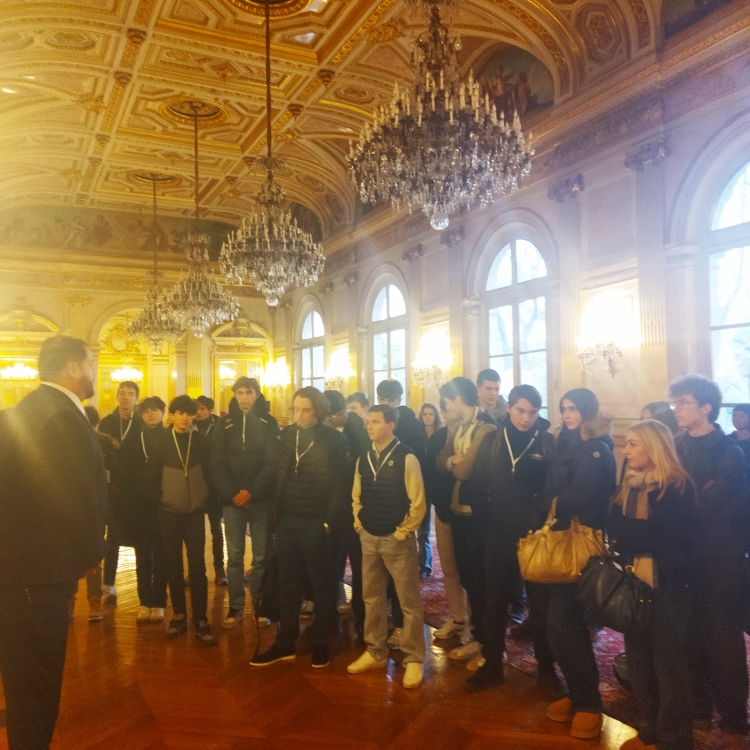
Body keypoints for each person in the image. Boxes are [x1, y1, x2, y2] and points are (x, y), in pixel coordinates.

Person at [0, 335, 107, 750]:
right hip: (38, 573)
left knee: (24, 679)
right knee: (37, 684)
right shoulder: (61, 416)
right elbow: (74, 494)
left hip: (21, 568)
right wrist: (90, 553)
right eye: (91, 363)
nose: (95, 371)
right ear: (72, 368)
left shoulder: (28, 408)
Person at [669, 375, 750, 747]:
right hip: (681, 556)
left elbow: (712, 510)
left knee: (722, 640)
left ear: (705, 407)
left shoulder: (729, 452)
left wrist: (684, 500)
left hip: (720, 558)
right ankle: (699, 710)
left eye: (683, 402)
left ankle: (735, 721)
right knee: (687, 636)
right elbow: (669, 498)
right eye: (675, 402)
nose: (676, 409)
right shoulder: (675, 446)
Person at [608, 419, 697, 750]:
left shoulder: (676, 488)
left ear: (653, 446)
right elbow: (617, 532)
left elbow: (668, 543)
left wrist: (633, 536)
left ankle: (673, 740)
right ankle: (648, 731)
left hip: (668, 588)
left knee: (669, 669)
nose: (625, 450)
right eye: (626, 443)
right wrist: (637, 536)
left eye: (633, 444)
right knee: (639, 664)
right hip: (634, 584)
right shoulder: (629, 486)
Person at [466, 384, 557, 693]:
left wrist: (537, 520)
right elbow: (476, 487)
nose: (526, 418)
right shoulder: (492, 440)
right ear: (509, 408)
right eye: (520, 410)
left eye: (532, 412)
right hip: (498, 536)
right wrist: (485, 528)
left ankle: (546, 671)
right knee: (494, 603)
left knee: (540, 608)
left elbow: (553, 489)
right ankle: (492, 664)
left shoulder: (546, 443)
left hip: (535, 539)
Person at [250, 387, 349, 669]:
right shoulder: (288, 435)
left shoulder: (334, 439)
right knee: (287, 583)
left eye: (306, 410)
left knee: (322, 584)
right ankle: (285, 642)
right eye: (296, 409)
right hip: (288, 521)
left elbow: (341, 484)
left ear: (318, 410)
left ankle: (321, 642)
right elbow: (276, 473)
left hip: (317, 522)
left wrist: (328, 521)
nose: (299, 415)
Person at [542, 388, 616, 740]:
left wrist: (546, 506)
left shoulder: (596, 447)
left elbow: (581, 495)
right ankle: (578, 695)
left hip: (582, 544)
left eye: (573, 408)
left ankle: (589, 703)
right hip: (562, 541)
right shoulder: (568, 444)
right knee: (560, 625)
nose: (567, 414)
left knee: (565, 622)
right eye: (563, 408)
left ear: (588, 410)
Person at [347, 404, 426, 689]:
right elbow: (356, 496)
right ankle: (375, 651)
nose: (369, 426)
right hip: (369, 537)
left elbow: (418, 502)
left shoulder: (407, 457)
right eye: (368, 421)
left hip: (396, 539)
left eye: (376, 422)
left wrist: (404, 531)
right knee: (372, 597)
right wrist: (359, 524)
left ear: (391, 426)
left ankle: (414, 657)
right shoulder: (364, 457)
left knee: (408, 601)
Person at [437, 376, 498, 669]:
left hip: (478, 515)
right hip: (458, 512)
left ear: (458, 399)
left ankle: (489, 645)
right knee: (468, 578)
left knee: (481, 582)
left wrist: (456, 465)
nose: (445, 407)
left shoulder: (487, 427)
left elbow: (466, 472)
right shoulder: (458, 426)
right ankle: (477, 637)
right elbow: (441, 460)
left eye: (447, 402)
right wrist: (452, 461)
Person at [146, 395, 216, 646]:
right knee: (172, 565)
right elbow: (150, 477)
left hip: (195, 513)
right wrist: (162, 500)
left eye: (189, 413)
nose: (185, 418)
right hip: (168, 513)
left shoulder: (201, 441)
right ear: (172, 415)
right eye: (180, 413)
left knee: (197, 567)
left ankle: (201, 618)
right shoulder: (161, 442)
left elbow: (210, 473)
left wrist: (205, 498)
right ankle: (178, 615)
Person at [211, 377, 280, 629]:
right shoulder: (225, 424)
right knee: (234, 557)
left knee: (261, 556)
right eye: (239, 393)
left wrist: (251, 492)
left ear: (257, 395)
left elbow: (271, 462)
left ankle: (259, 604)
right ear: (234, 395)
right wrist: (234, 494)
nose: (244, 397)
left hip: (260, 500)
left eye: (248, 392)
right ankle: (236, 607)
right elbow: (216, 462)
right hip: (232, 502)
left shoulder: (268, 423)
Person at [376, 379, 428, 642]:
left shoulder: (411, 426)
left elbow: (417, 465)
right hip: (380, 504)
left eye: (389, 400)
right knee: (381, 569)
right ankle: (384, 615)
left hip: (402, 504)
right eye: (381, 400)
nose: (385, 404)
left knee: (402, 573)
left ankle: (402, 624)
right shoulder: (377, 424)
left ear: (399, 399)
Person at [427, 399, 471, 643]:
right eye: (447, 409)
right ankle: (457, 617)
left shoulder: (473, 433)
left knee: (471, 571)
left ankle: (474, 624)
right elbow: (430, 471)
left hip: (469, 513)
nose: (450, 413)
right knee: (449, 570)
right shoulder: (439, 437)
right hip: (444, 510)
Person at [324, 389, 368, 631]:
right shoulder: (322, 430)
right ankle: (327, 610)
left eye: (333, 416)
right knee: (329, 562)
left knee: (359, 564)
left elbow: (360, 467)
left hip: (353, 508)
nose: (328, 421)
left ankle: (361, 615)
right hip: (329, 508)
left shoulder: (358, 430)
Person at [121, 396, 168, 624]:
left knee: (161, 554)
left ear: (163, 412)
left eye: (155, 410)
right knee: (142, 555)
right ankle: (144, 601)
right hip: (139, 505)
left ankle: (159, 601)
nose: (150, 414)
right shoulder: (133, 438)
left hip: (163, 502)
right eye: (146, 411)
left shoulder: (169, 437)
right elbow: (125, 471)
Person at [97, 379, 141, 604]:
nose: (125, 397)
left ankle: (147, 584)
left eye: (130, 393)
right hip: (113, 490)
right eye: (122, 393)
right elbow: (100, 455)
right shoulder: (107, 422)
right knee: (112, 536)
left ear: (136, 398)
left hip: (136, 490)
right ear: (117, 397)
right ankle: (108, 584)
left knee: (141, 537)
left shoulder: (142, 422)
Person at [195, 394, 226, 585]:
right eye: (196, 409)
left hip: (214, 486)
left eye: (202, 409)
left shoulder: (219, 427)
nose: (198, 413)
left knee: (216, 529)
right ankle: (196, 572)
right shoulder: (190, 426)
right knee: (195, 533)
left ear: (210, 410)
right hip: (196, 484)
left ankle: (220, 570)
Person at [417, 402, 442, 578]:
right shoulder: (417, 435)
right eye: (425, 414)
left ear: (436, 416)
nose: (427, 417)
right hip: (422, 482)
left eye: (431, 414)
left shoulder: (441, 435)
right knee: (423, 528)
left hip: (438, 482)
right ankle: (424, 566)